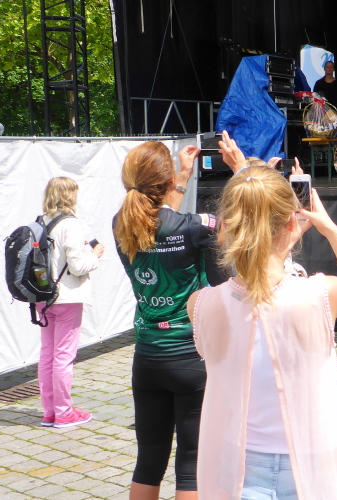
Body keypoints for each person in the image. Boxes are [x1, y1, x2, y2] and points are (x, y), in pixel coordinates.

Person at [189, 166, 337, 499]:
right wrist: (330, 229)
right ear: (291, 223)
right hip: (313, 465)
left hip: (238, 468)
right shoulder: (321, 293)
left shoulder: (201, 304)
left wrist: (277, 245)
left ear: (226, 225)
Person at [113, 142, 217, 500]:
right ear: (167, 181)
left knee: (148, 460)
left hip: (147, 358)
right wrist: (242, 170)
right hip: (191, 357)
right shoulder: (194, 226)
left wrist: (182, 177)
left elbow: (158, 221)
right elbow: (245, 225)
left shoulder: (120, 223)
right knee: (191, 464)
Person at [38, 177, 104, 428]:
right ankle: (64, 413)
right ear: (70, 196)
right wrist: (95, 255)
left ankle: (49, 412)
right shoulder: (71, 224)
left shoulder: (41, 222)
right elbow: (77, 267)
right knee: (63, 357)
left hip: (43, 297)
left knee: (47, 355)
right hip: (67, 297)